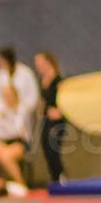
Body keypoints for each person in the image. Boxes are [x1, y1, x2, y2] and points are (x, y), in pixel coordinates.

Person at [35, 51, 67, 183]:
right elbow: (43, 100)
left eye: (40, 62)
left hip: (57, 120)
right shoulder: (42, 80)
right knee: (45, 146)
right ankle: (54, 177)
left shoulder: (58, 80)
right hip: (46, 119)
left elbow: (64, 100)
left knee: (54, 147)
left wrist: (60, 111)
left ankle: (60, 175)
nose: (38, 66)